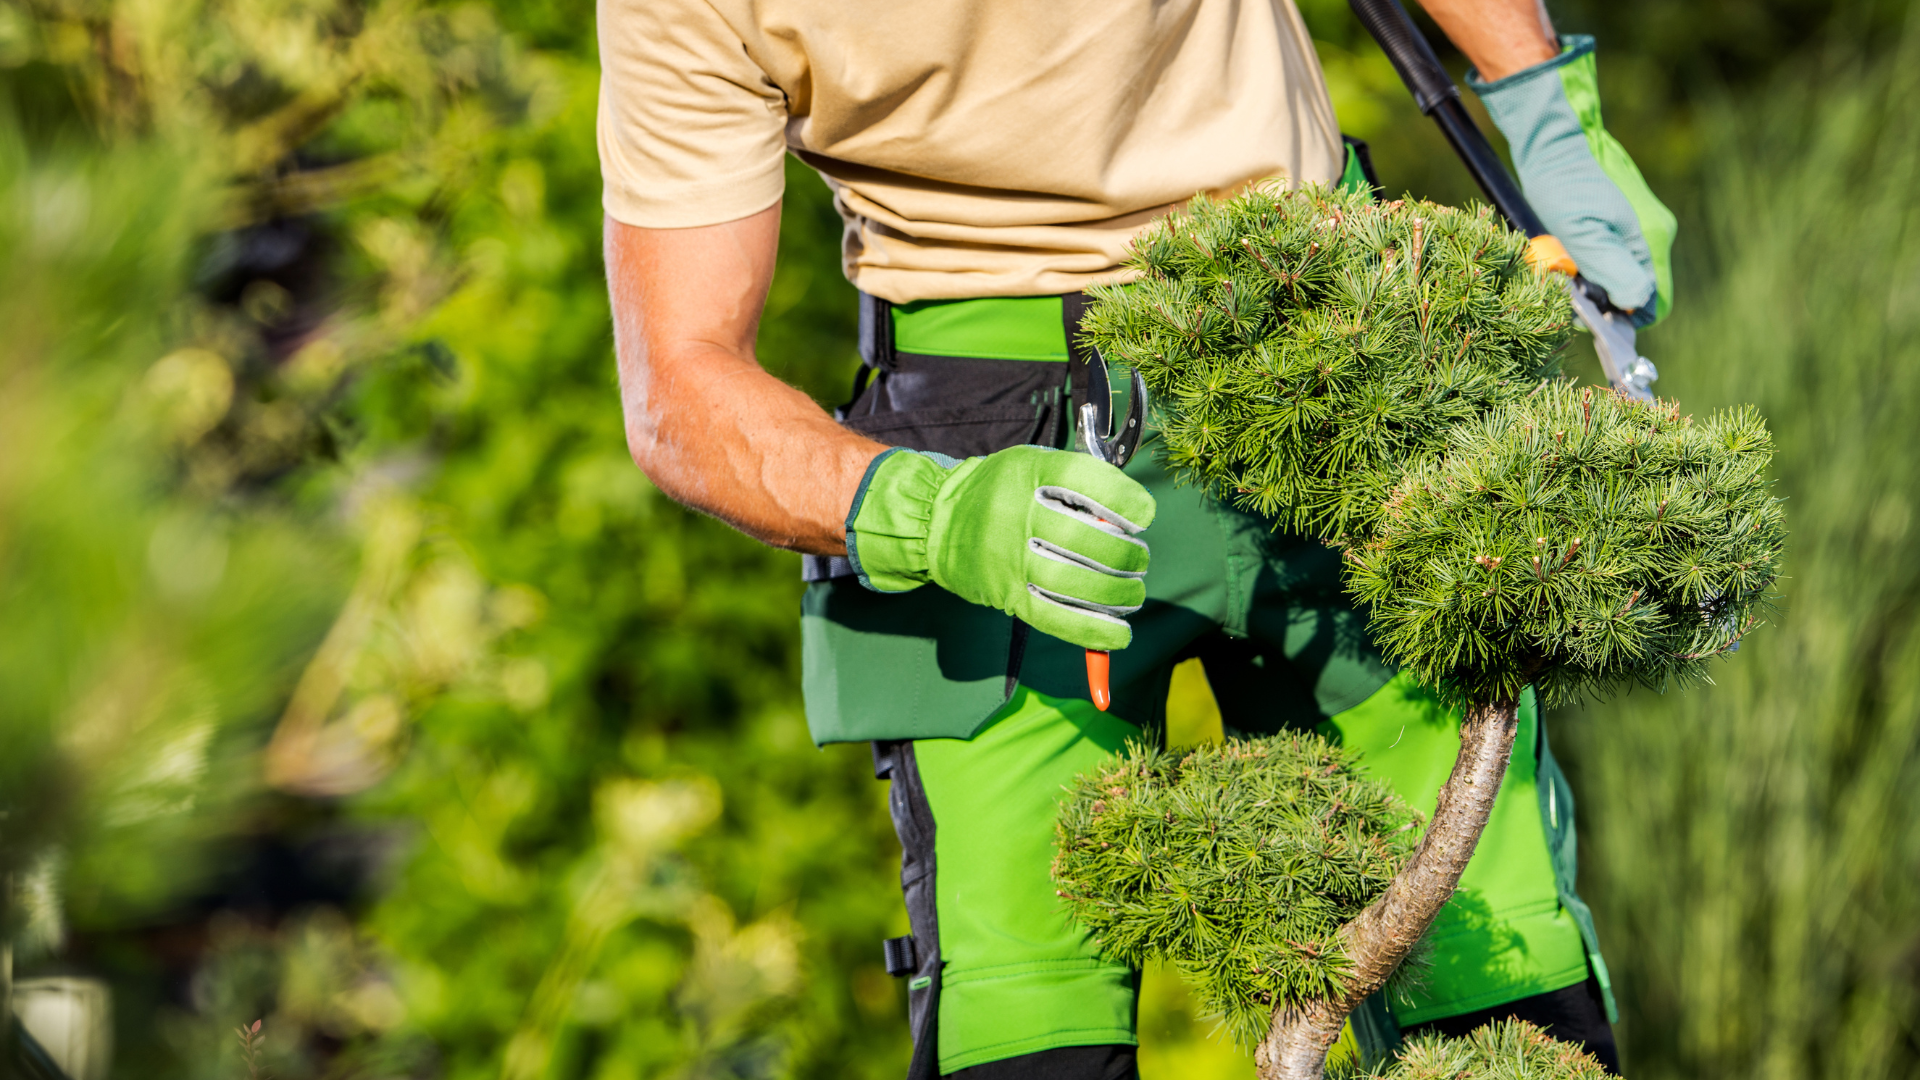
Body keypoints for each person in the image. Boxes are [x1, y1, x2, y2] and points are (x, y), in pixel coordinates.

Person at [598, 1, 1673, 1075]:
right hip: (991, 445)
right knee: (1024, 1033)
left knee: (1500, 984)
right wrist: (927, 515)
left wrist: (1541, 106)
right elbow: (677, 380)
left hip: (1336, 352)